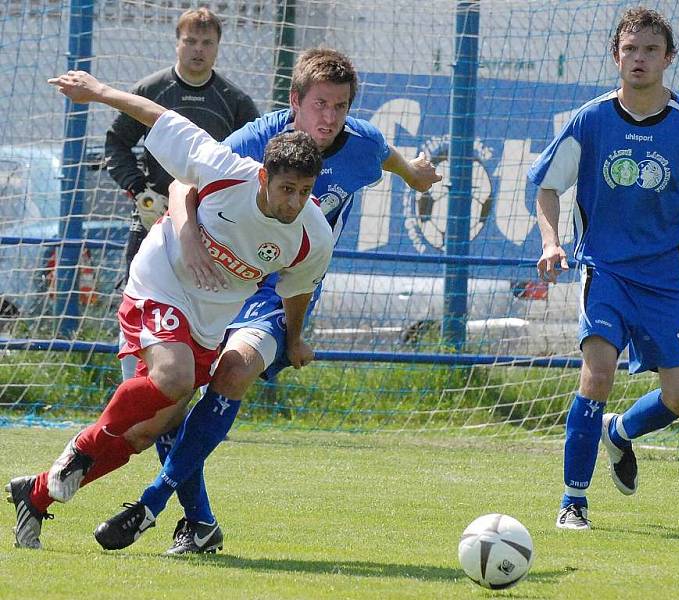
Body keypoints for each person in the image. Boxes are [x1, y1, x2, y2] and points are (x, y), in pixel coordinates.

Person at [93, 47, 441, 554]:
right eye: (320, 104)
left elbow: (386, 156)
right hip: (223, 281)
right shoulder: (257, 141)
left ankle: (152, 502)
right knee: (170, 403)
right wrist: (189, 240)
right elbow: (186, 181)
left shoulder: (362, 143)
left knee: (235, 371)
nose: (330, 117)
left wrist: (414, 175)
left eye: (341, 106)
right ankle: (201, 524)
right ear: (295, 101)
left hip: (282, 292)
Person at [6, 69, 332, 550]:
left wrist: (297, 339)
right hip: (159, 282)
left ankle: (34, 494)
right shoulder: (224, 169)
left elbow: (297, 292)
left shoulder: (312, 235)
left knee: (143, 434)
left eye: (305, 192)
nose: (295, 202)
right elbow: (160, 116)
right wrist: (97, 91)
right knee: (174, 378)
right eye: (287, 189)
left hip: (208, 321)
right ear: (263, 176)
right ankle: (83, 446)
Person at [528, 7, 679, 530]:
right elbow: (548, 185)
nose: (638, 58)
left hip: (668, 283)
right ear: (615, 56)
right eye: (629, 49)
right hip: (606, 274)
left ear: (668, 58)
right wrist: (551, 241)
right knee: (596, 375)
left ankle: (618, 433)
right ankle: (573, 502)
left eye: (650, 49)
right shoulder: (591, 120)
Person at [105, 7, 260, 380]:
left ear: (218, 47)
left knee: (209, 310)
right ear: (177, 42)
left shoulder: (234, 102)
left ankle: (194, 395)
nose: (198, 49)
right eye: (190, 40)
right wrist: (139, 190)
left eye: (207, 42)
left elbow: (253, 165)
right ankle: (133, 391)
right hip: (152, 219)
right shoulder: (151, 91)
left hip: (213, 226)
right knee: (138, 304)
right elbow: (116, 144)